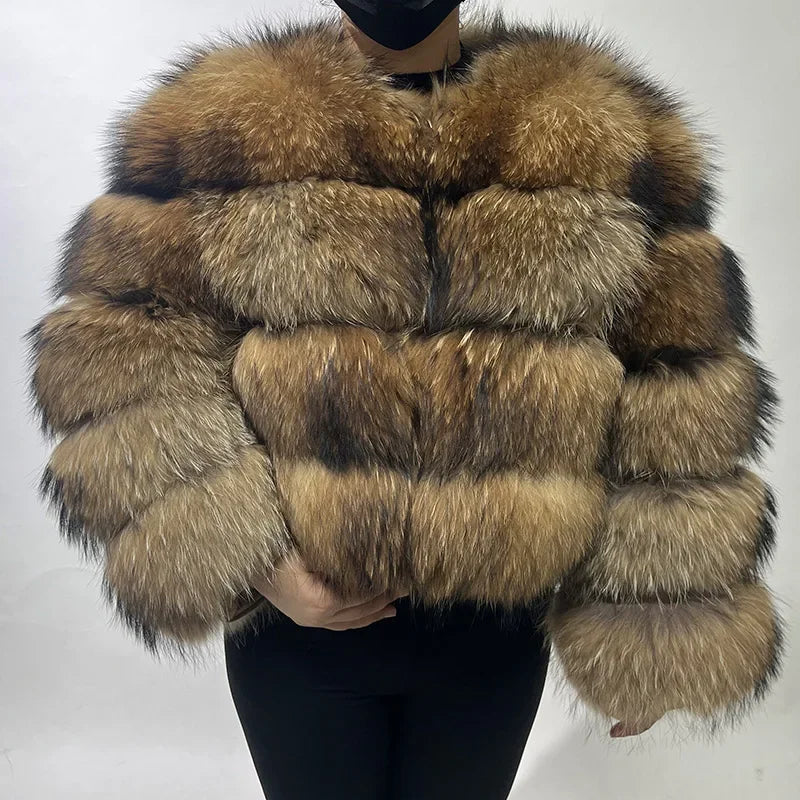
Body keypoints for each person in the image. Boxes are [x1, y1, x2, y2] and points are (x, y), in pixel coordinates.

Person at [27, 1, 782, 798]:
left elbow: (677, 385)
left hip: (492, 633)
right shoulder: (221, 124)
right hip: (301, 629)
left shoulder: (602, 132)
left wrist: (657, 624)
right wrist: (255, 562)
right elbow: (130, 357)